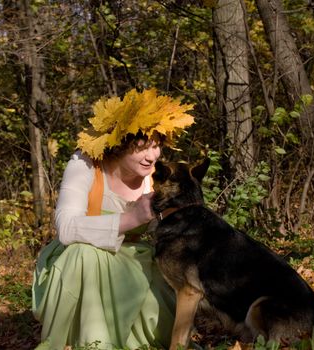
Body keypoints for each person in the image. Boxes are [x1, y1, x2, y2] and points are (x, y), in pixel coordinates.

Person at [32, 88, 195, 350]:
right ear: (120, 144)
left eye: (157, 146)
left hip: (133, 259)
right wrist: (130, 218)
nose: (152, 156)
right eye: (143, 147)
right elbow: (65, 227)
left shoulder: (158, 176)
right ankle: (91, 343)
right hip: (79, 262)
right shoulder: (85, 163)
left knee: (158, 279)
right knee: (84, 255)